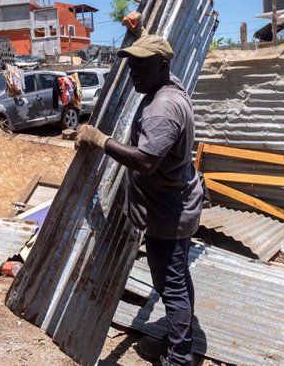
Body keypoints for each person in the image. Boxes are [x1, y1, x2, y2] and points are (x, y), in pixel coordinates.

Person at [75, 27, 203, 366]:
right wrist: (139, 31)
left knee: (171, 285)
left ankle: (180, 358)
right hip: (177, 204)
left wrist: (100, 140)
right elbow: (155, 51)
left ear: (162, 66)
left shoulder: (162, 108)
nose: (133, 74)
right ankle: (178, 343)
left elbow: (146, 161)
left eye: (140, 68)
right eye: (131, 67)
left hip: (169, 214)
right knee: (176, 279)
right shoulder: (169, 86)